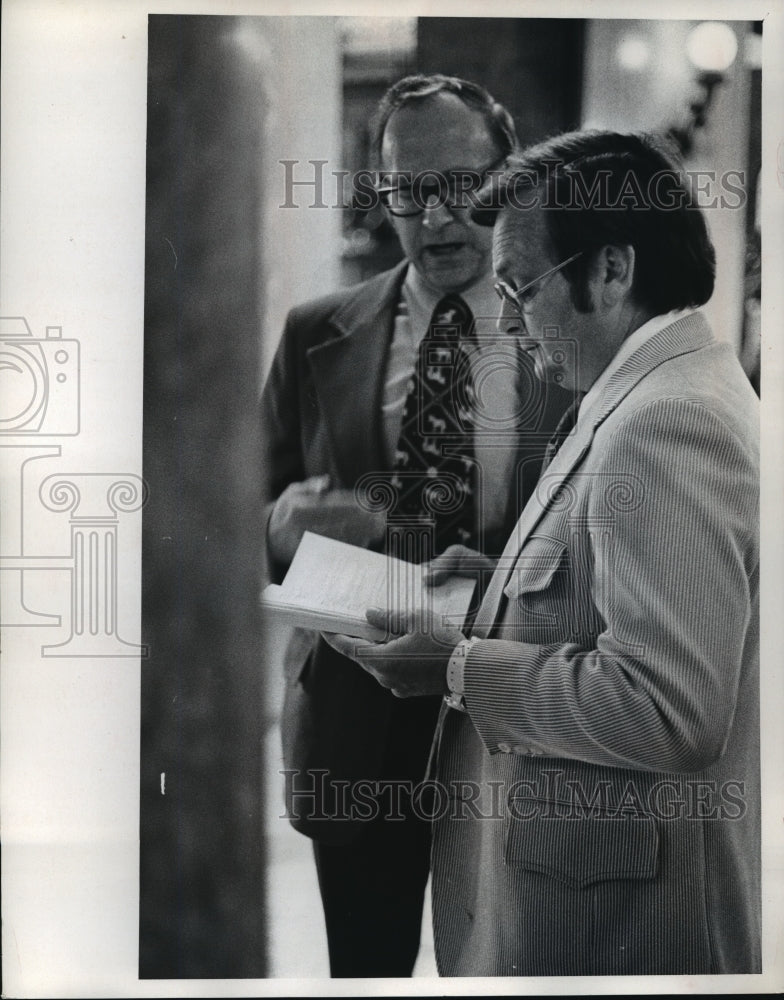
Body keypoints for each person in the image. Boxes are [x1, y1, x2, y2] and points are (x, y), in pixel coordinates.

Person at [327, 130, 761, 976]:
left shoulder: (667, 423)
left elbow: (670, 707)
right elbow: (638, 586)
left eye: (523, 289)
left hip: (615, 915)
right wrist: (507, 588)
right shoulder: (656, 385)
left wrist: (455, 665)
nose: (514, 326)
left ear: (610, 268)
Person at [261, 75, 570, 977]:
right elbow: (244, 512)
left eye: (463, 187)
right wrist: (282, 526)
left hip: (518, 713)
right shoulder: (317, 331)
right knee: (366, 970)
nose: (437, 218)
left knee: (516, 968)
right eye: (408, 191)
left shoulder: (570, 330)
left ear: (508, 177)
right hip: (358, 726)